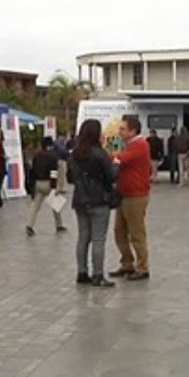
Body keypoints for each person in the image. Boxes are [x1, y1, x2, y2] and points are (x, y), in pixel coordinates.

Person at [69, 119, 117, 287]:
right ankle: (98, 275)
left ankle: (82, 272)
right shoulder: (100, 153)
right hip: (99, 200)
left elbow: (70, 178)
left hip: (80, 200)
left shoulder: (74, 154)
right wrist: (116, 166)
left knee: (83, 237)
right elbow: (111, 176)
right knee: (98, 239)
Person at [110, 116, 153, 281]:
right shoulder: (129, 145)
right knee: (119, 231)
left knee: (136, 232)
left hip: (136, 195)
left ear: (133, 130)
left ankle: (142, 267)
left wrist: (102, 155)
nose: (119, 132)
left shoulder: (139, 145)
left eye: (123, 129)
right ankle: (127, 263)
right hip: (124, 193)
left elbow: (119, 160)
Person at [26, 137, 66, 236]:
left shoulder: (36, 156)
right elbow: (53, 173)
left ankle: (30, 225)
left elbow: (32, 171)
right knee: (55, 204)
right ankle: (59, 225)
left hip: (38, 183)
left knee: (35, 206)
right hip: (48, 183)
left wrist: (32, 185)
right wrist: (54, 186)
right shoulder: (53, 157)